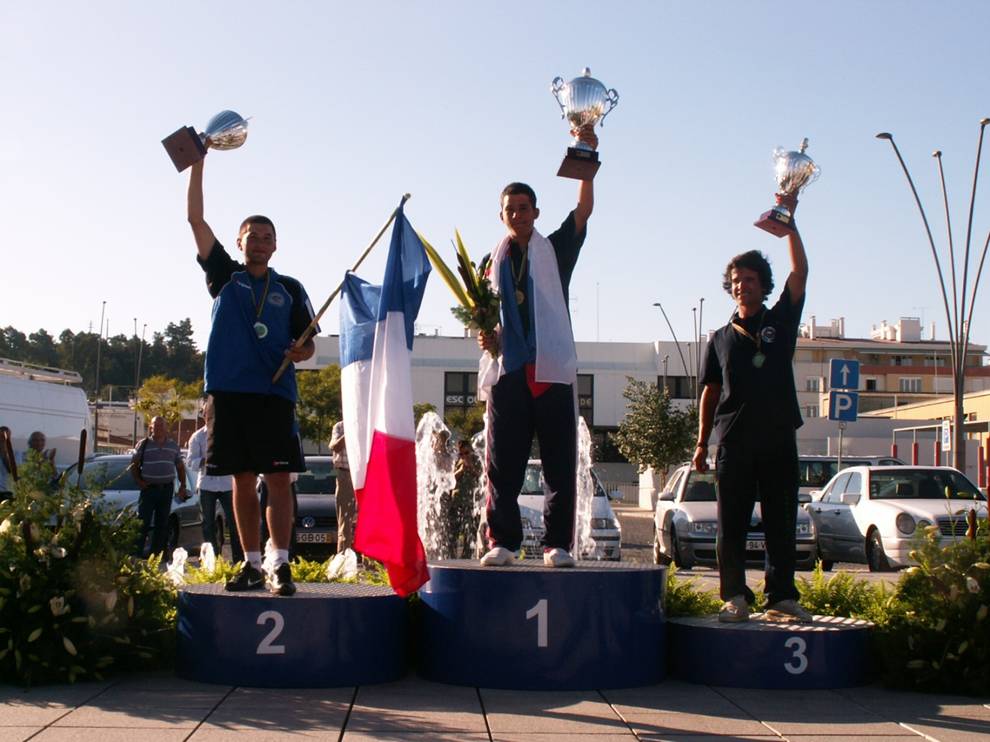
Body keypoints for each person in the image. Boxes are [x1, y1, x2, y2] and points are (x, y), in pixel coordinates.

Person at [187, 154, 317, 597]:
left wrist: (301, 352)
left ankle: (281, 564)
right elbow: (195, 219)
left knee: (277, 480)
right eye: (252, 237)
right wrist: (198, 164)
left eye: (266, 238)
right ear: (239, 242)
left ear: (275, 246)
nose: (259, 243)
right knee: (241, 480)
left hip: (274, 393)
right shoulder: (224, 275)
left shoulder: (291, 288)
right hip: (228, 394)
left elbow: (309, 345)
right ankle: (252, 563)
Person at [476, 125, 597, 569]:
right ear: (501, 215)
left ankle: (556, 544)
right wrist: (486, 336)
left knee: (559, 462)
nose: (518, 214)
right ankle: (504, 542)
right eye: (510, 209)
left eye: (524, 208)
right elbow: (483, 315)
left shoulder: (555, 249)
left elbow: (583, 209)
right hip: (509, 371)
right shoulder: (491, 261)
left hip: (550, 369)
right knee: (501, 463)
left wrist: (587, 158)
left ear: (536, 212)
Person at [692, 192, 813, 624]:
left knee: (781, 520)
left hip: (778, 436)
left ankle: (781, 596)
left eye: (750, 278)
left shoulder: (780, 320)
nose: (742, 285)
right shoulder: (719, 338)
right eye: (736, 280)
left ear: (763, 284)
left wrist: (790, 223)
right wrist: (702, 443)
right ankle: (734, 597)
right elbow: (710, 391)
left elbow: (800, 272)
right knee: (732, 525)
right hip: (734, 442)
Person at [186, 402, 244, 564]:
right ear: (204, 416)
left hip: (227, 484)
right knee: (208, 524)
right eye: (208, 414)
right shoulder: (197, 437)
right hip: (207, 485)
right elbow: (190, 462)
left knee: (235, 522)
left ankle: (239, 560)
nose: (212, 418)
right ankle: (213, 560)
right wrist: (206, 460)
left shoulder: (229, 435)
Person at [129, 416, 188, 559]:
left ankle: (157, 556)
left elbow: (180, 467)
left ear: (166, 428)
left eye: (161, 425)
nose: (159, 428)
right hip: (149, 490)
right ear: (151, 427)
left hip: (166, 489)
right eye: (156, 425)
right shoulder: (143, 445)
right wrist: (139, 481)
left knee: (162, 524)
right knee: (142, 523)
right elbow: (133, 465)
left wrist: (182, 486)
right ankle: (136, 555)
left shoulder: (173, 446)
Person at [329, 419, 356, 555]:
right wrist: (350, 431)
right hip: (345, 474)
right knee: (345, 519)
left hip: (364, 474)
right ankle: (343, 556)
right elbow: (335, 447)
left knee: (367, 518)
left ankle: (369, 561)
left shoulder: (369, 423)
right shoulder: (340, 426)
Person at [0, 426, 13, 501]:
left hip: (7, 493)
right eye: (1, 436)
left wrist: (4, 451)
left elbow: (10, 470)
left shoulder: (16, 454)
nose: (3, 439)